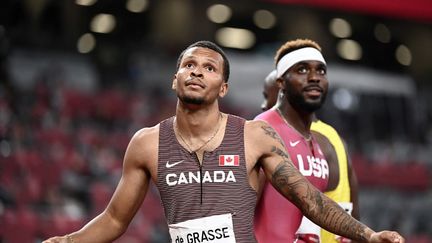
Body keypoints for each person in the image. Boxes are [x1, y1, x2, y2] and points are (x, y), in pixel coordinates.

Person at [43, 40, 404, 243]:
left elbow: (310, 200)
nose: (197, 71)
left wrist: (368, 236)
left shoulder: (254, 136)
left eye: (210, 68)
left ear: (224, 87)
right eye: (189, 65)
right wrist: (66, 242)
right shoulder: (147, 143)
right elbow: (114, 220)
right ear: (175, 79)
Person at [254, 39, 359, 243]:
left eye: (321, 71)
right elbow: (237, 212)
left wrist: (369, 236)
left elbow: (320, 208)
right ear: (281, 82)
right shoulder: (263, 130)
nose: (314, 78)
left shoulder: (322, 143)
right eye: (302, 70)